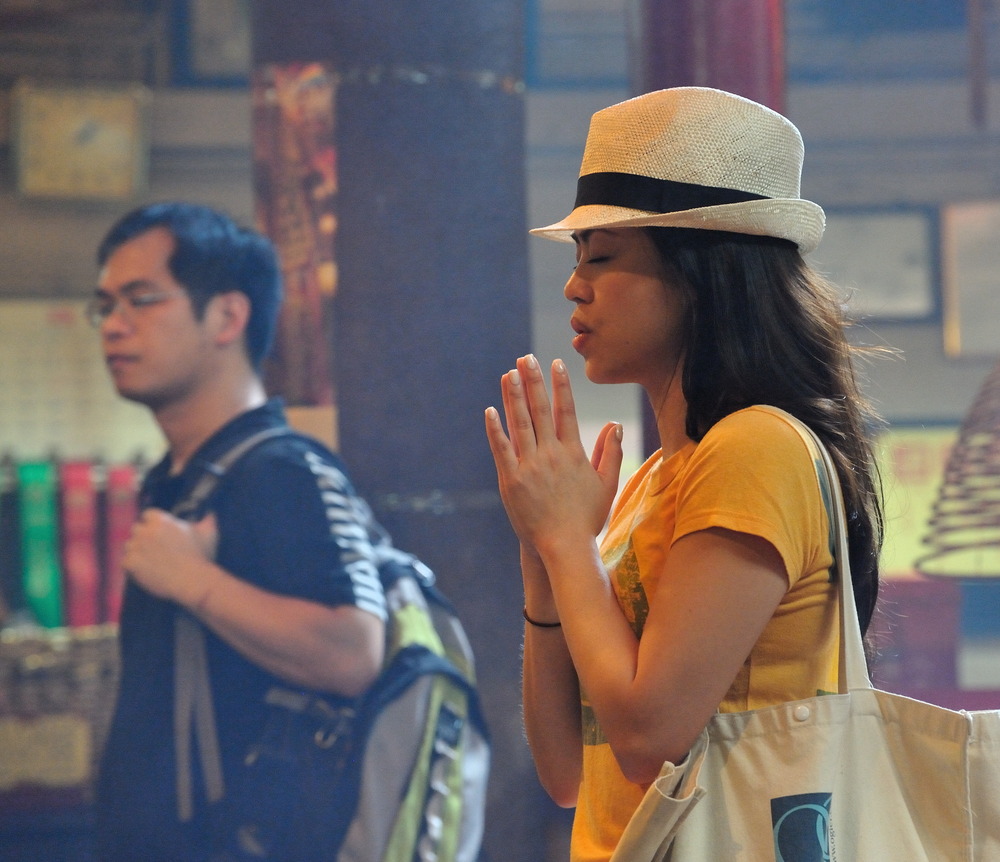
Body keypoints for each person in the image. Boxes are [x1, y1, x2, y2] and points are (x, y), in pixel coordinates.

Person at [484, 87, 884, 860]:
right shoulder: (657, 480)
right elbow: (570, 770)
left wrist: (570, 540)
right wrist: (544, 560)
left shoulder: (755, 449)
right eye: (576, 258)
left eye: (602, 256)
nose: (575, 285)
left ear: (702, 274)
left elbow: (645, 735)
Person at [90, 202, 387, 860]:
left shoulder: (280, 469)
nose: (113, 326)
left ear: (227, 316)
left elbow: (354, 652)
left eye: (141, 301)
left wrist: (195, 582)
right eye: (105, 305)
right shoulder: (181, 478)